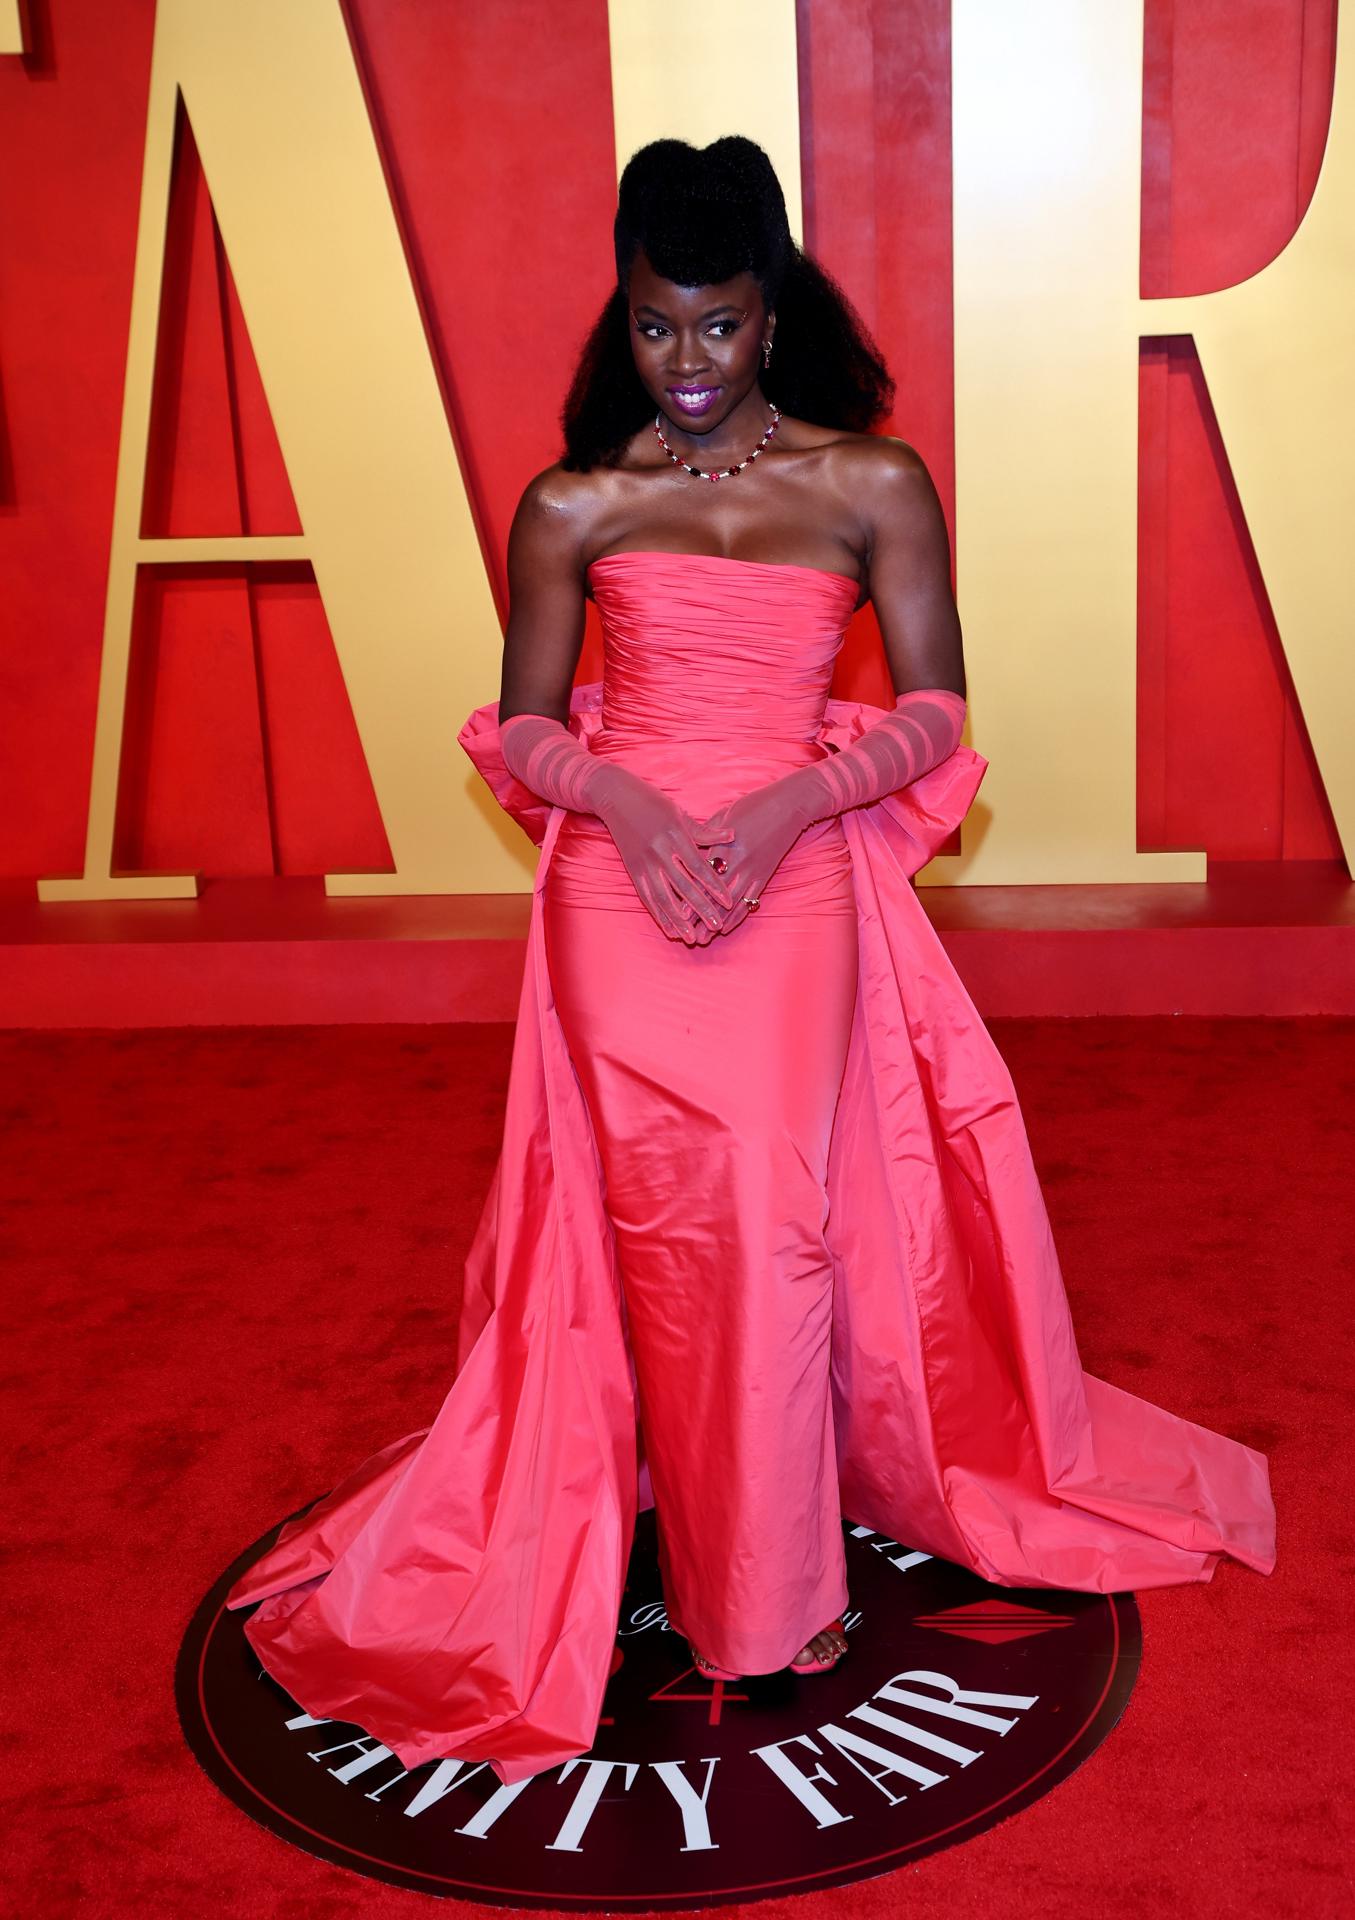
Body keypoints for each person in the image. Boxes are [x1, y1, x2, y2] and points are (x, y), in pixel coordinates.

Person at [226, 136, 1276, 1785]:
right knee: (640, 1217)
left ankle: (766, 1592)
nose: (689, 363)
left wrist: (797, 798)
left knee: (774, 1221)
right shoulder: (577, 500)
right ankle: (644, 1498)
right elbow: (518, 721)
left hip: (794, 888)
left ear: (769, 310)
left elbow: (936, 706)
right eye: (656, 327)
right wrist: (630, 809)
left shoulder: (873, 483)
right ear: (621, 316)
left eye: (718, 326)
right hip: (614, 897)